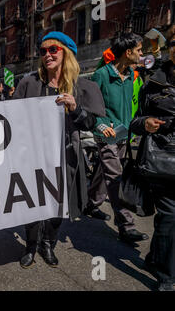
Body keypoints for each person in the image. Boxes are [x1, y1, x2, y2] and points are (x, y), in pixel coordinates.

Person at [13, 31, 105, 268]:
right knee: (31, 202)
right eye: (43, 51)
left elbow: (91, 124)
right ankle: (31, 246)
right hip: (33, 155)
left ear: (67, 53)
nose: (47, 55)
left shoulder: (83, 86)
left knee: (58, 204)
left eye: (53, 50)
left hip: (66, 155)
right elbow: (11, 116)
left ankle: (48, 244)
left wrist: (75, 108)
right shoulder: (29, 82)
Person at [87, 32, 149, 243]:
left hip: (124, 133)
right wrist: (101, 125)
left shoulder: (132, 75)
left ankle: (91, 202)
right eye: (139, 50)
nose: (142, 54)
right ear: (128, 52)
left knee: (103, 170)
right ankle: (126, 225)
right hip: (106, 134)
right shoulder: (102, 75)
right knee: (115, 176)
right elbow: (91, 108)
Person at [130, 25, 175, 291]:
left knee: (167, 219)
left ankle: (153, 258)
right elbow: (133, 121)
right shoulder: (153, 81)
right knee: (170, 215)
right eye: (174, 43)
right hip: (163, 160)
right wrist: (145, 122)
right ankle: (168, 278)